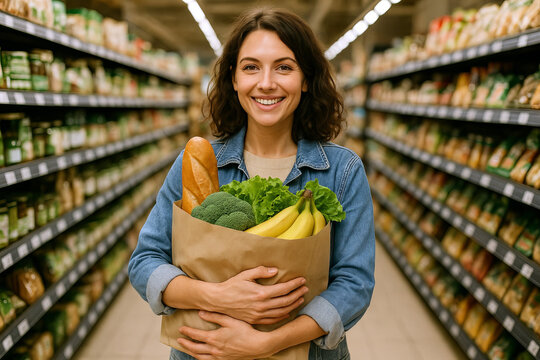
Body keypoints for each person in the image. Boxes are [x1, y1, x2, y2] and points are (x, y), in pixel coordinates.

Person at [128, 7, 375, 360]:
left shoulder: (343, 171)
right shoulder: (196, 161)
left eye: (284, 67)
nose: (266, 83)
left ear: (306, 79)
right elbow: (145, 261)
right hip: (206, 351)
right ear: (233, 78)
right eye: (251, 67)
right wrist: (216, 296)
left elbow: (354, 284)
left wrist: (267, 343)